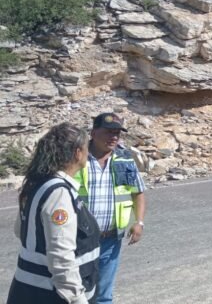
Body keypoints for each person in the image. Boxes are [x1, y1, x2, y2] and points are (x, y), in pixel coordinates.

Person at [7, 123, 100, 304]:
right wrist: (77, 299)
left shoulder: (37, 182)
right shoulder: (59, 194)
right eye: (86, 148)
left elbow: (21, 231)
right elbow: (61, 257)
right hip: (49, 295)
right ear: (77, 153)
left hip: (27, 291)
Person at [74, 112, 146, 304]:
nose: (113, 137)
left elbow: (138, 192)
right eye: (108, 132)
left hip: (111, 239)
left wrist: (139, 222)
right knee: (75, 292)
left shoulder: (124, 159)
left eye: (117, 133)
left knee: (104, 295)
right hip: (79, 240)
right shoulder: (75, 159)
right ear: (93, 132)